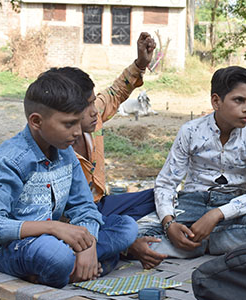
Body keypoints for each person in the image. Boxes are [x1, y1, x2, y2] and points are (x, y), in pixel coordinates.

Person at [0, 72, 138, 288]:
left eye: (77, 123)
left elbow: (84, 207)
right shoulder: (8, 160)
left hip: (53, 242)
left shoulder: (65, 152)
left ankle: (70, 269)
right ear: (36, 121)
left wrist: (88, 245)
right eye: (68, 124)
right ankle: (79, 266)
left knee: (126, 227)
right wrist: (51, 227)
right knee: (54, 254)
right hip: (2, 248)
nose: (77, 132)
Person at [138, 66, 246, 259]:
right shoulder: (190, 132)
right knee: (137, 234)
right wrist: (169, 224)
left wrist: (216, 215)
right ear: (216, 101)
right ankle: (203, 241)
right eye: (239, 100)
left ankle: (194, 244)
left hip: (233, 209)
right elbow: (166, 183)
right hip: (191, 204)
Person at [47, 32, 167, 270]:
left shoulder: (93, 119)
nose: (94, 111)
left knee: (162, 196)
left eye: (93, 102)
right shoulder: (53, 148)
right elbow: (59, 216)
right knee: (120, 234)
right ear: (64, 112)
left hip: (101, 204)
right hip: (73, 219)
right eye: (85, 106)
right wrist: (128, 243)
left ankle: (113, 244)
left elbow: (115, 93)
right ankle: (117, 247)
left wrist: (141, 63)